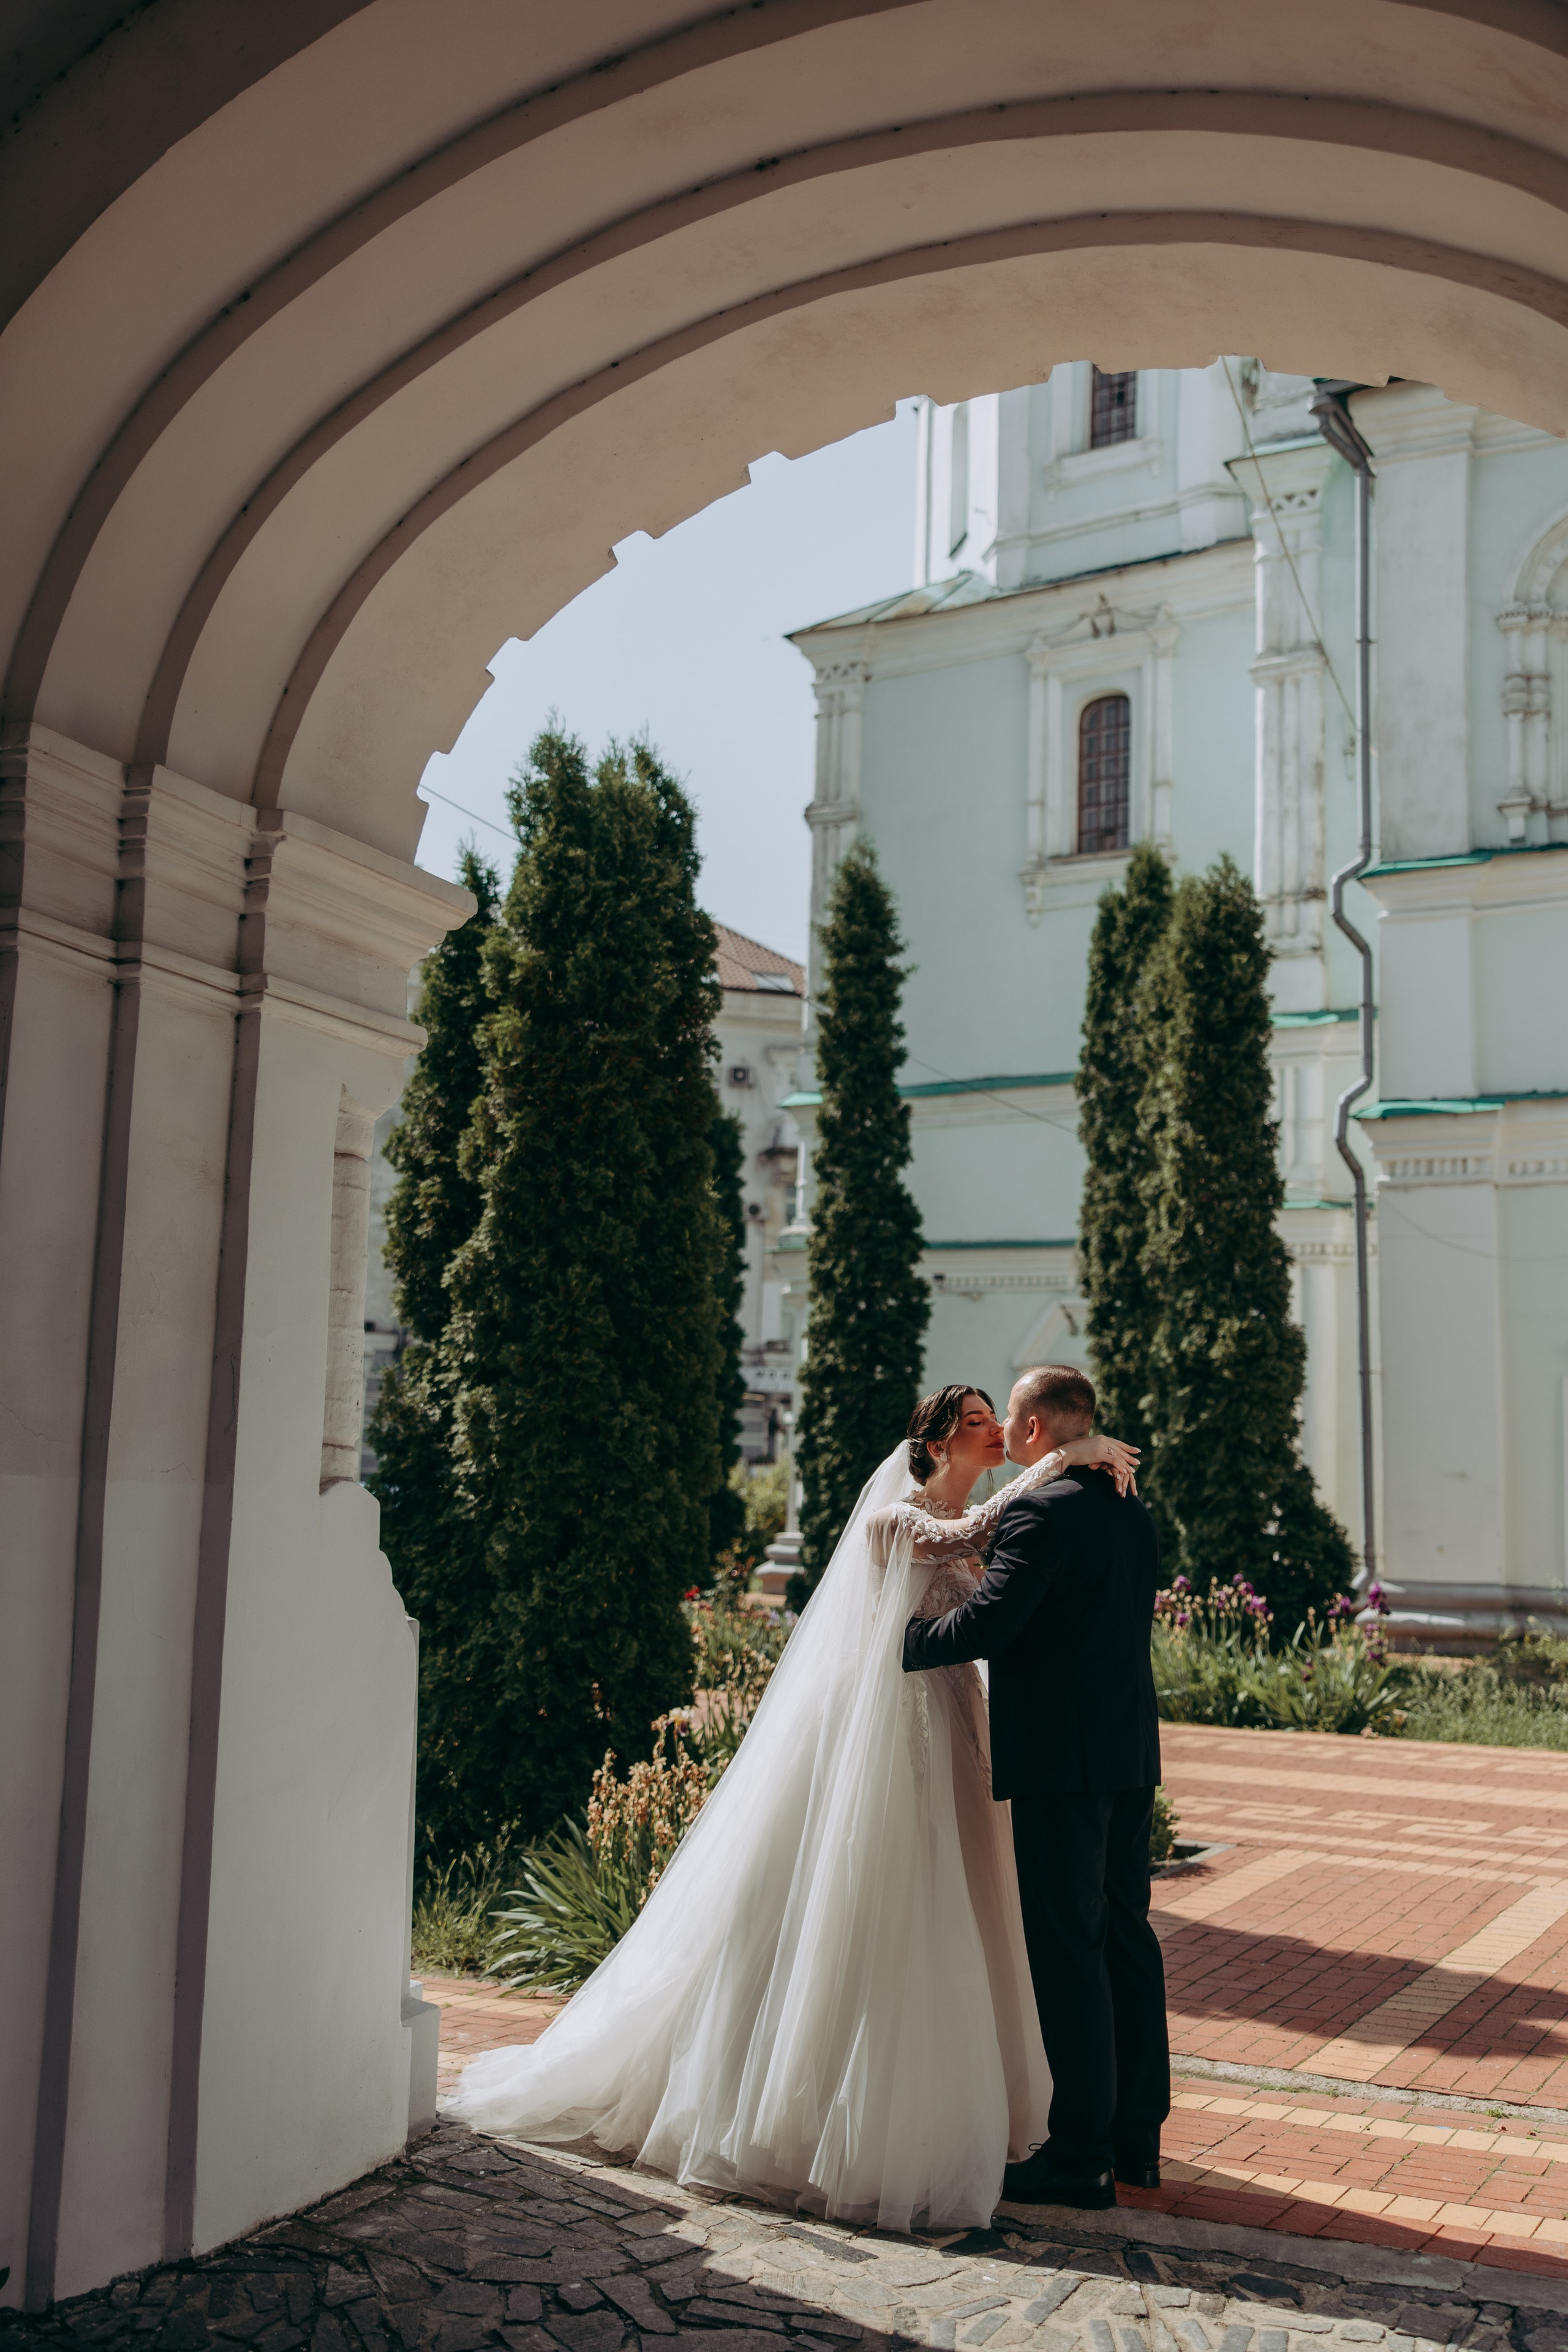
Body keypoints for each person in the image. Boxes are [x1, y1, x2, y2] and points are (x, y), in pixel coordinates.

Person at [445, 1383, 1136, 2231]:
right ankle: (837, 2119)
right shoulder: (898, 1517)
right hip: (891, 1729)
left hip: (955, 1718)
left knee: (969, 1901)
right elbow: (967, 1534)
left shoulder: (985, 1510)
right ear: (932, 1445)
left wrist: (1065, 1466)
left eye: (999, 1420)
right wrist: (1065, 1457)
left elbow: (994, 1569)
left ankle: (974, 2103)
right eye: (975, 1422)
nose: (995, 1431)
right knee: (884, 1898)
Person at [902, 1363, 1168, 2214]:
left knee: (1069, 1947)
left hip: (1063, 1763)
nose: (1004, 1434)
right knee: (1127, 1936)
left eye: (1010, 1419)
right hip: (1129, 1756)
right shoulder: (1133, 1509)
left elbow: (991, 1623)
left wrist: (901, 1642)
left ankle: (1080, 2156)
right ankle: (1136, 2137)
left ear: (1031, 1431)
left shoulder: (1036, 1511)